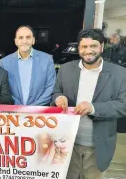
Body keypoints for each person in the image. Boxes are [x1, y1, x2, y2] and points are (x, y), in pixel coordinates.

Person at [52, 28, 126, 179]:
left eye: (93, 46)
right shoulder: (65, 70)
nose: (88, 51)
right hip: (67, 145)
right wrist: (58, 98)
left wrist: (93, 108)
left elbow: (123, 105)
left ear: (102, 47)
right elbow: (56, 92)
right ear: (79, 48)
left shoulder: (119, 73)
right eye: (84, 47)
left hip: (97, 147)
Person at [0, 25, 56, 105]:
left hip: (39, 113)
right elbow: (4, 90)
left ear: (33, 40)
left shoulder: (47, 60)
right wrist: (20, 107)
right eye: (21, 38)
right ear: (16, 41)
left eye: (28, 37)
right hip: (13, 113)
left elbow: (51, 87)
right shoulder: (4, 63)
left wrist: (32, 108)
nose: (24, 41)